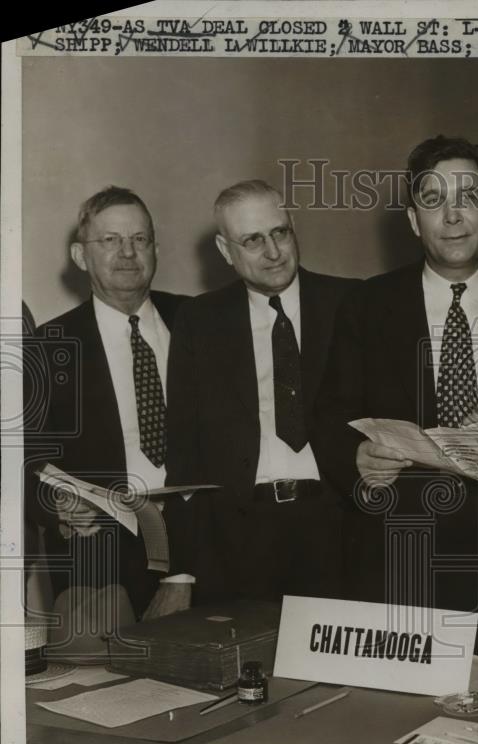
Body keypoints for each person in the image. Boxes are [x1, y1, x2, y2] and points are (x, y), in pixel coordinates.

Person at [311, 136, 478, 666]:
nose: (453, 217)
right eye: (433, 200)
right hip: (399, 559)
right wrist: (356, 458)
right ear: (413, 220)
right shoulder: (366, 304)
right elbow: (329, 414)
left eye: (469, 197)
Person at [147, 179, 356, 617]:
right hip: (240, 538)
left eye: (280, 232)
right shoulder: (198, 323)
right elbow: (185, 454)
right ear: (226, 251)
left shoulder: (352, 304)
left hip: (338, 527)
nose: (273, 252)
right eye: (253, 240)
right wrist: (180, 572)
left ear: (293, 227)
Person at [24, 186, 185, 621]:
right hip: (98, 562)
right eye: (110, 240)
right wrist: (52, 503)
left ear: (155, 248)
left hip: (203, 554)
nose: (127, 252)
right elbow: (25, 458)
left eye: (139, 239)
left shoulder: (201, 323)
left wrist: (185, 574)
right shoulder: (47, 346)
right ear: (81, 256)